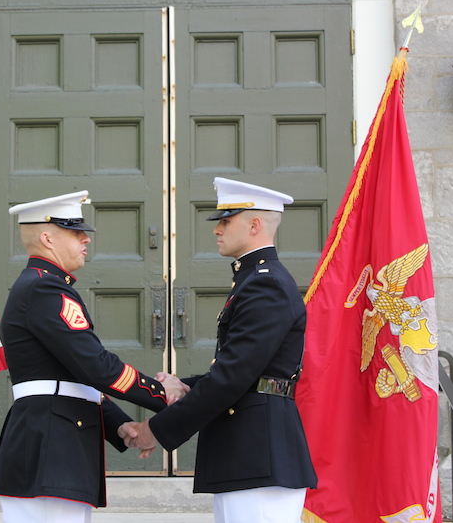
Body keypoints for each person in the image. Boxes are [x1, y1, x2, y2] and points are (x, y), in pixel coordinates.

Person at [0, 190, 188, 523]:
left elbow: (68, 377)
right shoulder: (46, 289)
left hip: (53, 442)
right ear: (47, 238)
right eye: (75, 232)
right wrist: (164, 394)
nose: (85, 240)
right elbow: (95, 366)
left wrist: (119, 425)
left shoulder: (41, 287)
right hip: (51, 447)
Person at [121, 177, 317, 523]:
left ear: (255, 224)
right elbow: (240, 369)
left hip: (260, 453)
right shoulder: (253, 280)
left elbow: (232, 378)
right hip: (247, 451)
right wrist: (186, 386)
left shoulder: (265, 284)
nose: (217, 230)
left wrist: (159, 429)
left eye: (226, 221)